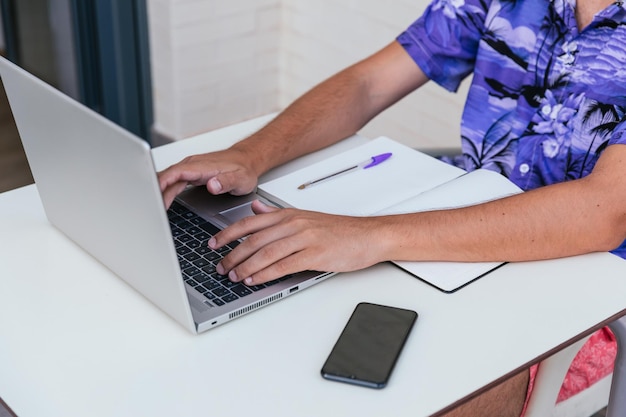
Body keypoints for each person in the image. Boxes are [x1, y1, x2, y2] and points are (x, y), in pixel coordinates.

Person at [159, 0, 626, 415]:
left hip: (584, 288)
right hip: (444, 232)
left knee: (430, 394)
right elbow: (368, 84)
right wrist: (251, 154)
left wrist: (367, 235)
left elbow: (602, 211)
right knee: (269, 332)